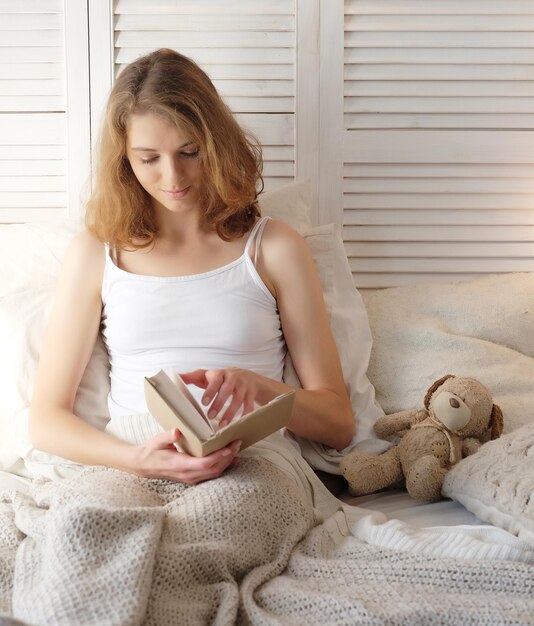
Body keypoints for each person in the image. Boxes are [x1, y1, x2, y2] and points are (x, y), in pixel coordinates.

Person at [29, 48, 354, 486]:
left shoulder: (274, 248)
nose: (174, 178)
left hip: (251, 462)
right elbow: (45, 420)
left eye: (189, 151)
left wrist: (268, 394)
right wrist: (136, 460)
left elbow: (338, 424)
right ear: (124, 159)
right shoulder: (95, 253)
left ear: (215, 144)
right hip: (133, 461)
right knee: (83, 531)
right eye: (149, 159)